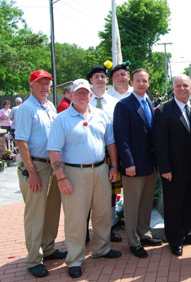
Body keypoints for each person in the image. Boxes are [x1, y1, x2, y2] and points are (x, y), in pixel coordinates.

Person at [47, 79, 121, 279]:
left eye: (85, 93)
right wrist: (61, 178)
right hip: (74, 172)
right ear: (70, 95)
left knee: (103, 213)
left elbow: (111, 142)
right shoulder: (62, 119)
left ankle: (101, 248)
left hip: (100, 169)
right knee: (76, 218)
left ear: (91, 95)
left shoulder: (100, 115)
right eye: (77, 93)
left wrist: (114, 166)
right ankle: (75, 259)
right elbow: (53, 150)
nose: (82, 96)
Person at [15, 69, 66, 278]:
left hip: (52, 165)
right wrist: (32, 172)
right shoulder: (26, 109)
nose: (45, 87)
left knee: (52, 210)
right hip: (36, 166)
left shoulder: (49, 105)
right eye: (40, 83)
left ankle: (49, 248)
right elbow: (21, 142)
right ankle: (33, 259)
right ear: (31, 85)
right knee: (35, 214)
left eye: (47, 84)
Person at [113, 68, 162, 259]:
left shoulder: (149, 102)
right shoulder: (124, 105)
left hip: (150, 164)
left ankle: (144, 233)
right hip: (133, 165)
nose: (142, 84)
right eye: (138, 81)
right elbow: (121, 137)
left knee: (146, 202)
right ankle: (133, 241)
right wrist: (128, 163)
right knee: (132, 205)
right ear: (132, 82)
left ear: (149, 83)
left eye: (145, 81)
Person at [153, 74, 191, 257]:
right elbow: (160, 142)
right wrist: (164, 168)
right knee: (174, 204)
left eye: (186, 86)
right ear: (173, 89)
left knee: (190, 201)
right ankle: (175, 239)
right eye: (179, 86)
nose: (183, 89)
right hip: (173, 168)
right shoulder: (163, 111)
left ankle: (188, 232)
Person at [87, 65, 121, 243]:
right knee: (87, 194)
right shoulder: (84, 101)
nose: (100, 80)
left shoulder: (114, 102)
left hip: (111, 152)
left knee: (110, 194)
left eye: (102, 77)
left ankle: (109, 228)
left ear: (107, 80)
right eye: (96, 77)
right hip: (90, 153)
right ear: (90, 81)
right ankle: (85, 231)